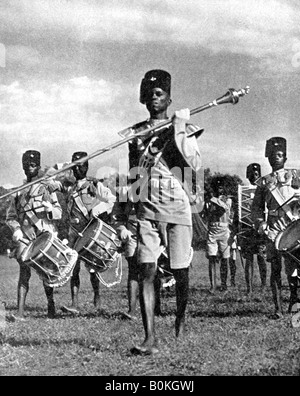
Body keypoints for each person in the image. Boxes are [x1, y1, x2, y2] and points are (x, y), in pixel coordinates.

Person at [120, 69, 202, 355]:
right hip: (147, 210)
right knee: (147, 270)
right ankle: (149, 337)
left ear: (169, 98)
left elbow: (194, 164)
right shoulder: (136, 133)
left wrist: (179, 127)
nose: (154, 99)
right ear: (144, 98)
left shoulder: (183, 127)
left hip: (177, 208)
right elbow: (134, 174)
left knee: (180, 272)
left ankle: (180, 318)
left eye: (160, 94)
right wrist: (130, 208)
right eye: (150, 94)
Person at [6, 150, 62, 319]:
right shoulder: (18, 192)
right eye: (26, 165)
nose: (29, 168)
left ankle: (51, 305)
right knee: (24, 271)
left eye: (32, 165)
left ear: (38, 166)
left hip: (43, 234)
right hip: (25, 236)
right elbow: (10, 216)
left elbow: (59, 212)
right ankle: (20, 313)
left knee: (47, 273)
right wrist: (15, 229)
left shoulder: (46, 187)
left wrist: (50, 209)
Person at [61, 152, 116, 314]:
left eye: (81, 165)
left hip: (90, 231)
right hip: (73, 233)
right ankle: (74, 303)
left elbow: (111, 199)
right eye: (75, 165)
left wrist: (98, 209)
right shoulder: (68, 186)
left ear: (86, 166)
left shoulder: (94, 185)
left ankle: (97, 298)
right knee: (74, 268)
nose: (78, 169)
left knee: (93, 268)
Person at [251, 137, 300, 318]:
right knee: (275, 269)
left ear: (285, 158)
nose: (276, 158)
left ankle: (295, 303)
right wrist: (261, 223)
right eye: (273, 155)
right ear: (268, 158)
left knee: (294, 269)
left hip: (292, 227)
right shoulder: (263, 182)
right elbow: (256, 208)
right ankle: (278, 308)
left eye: (280, 155)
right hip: (272, 228)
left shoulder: (296, 176)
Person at [240, 163, 267, 295]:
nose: (254, 176)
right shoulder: (243, 192)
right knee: (249, 259)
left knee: (262, 258)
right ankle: (249, 288)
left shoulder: (263, 189)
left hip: (260, 230)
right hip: (247, 230)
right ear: (247, 175)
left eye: (256, 174)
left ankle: (263, 286)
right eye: (252, 174)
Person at [206, 177, 233, 293]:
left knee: (225, 258)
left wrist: (211, 198)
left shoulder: (228, 200)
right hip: (212, 229)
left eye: (221, 186)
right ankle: (213, 285)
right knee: (211, 257)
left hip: (223, 229)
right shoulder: (209, 200)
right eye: (217, 187)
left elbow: (223, 208)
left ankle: (224, 284)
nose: (219, 189)